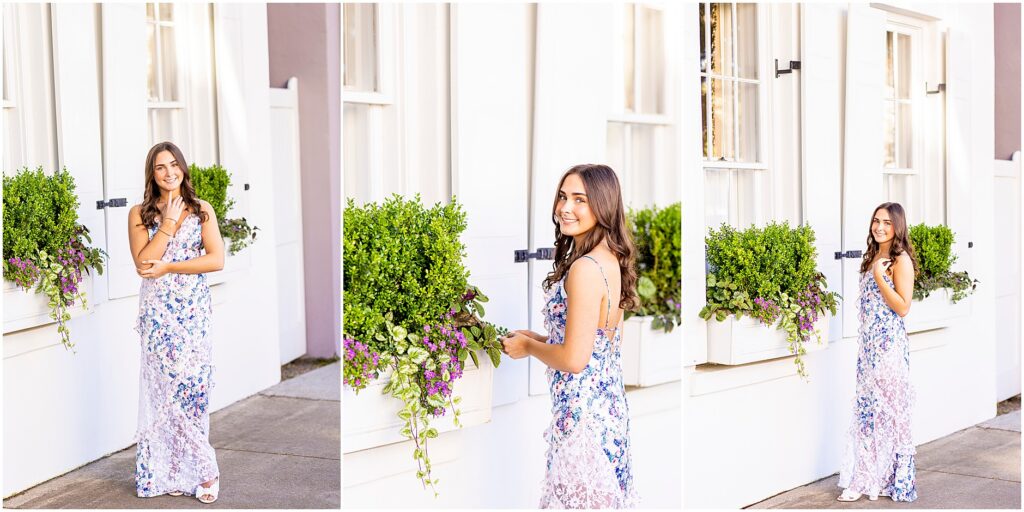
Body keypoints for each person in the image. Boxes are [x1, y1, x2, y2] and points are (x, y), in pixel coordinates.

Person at [502, 164, 640, 508]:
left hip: (583, 422)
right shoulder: (610, 259)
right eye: (563, 196)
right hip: (607, 414)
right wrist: (536, 338)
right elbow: (595, 345)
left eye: (580, 199)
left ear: (603, 206)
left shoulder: (584, 269)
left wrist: (528, 347)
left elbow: (575, 360)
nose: (565, 207)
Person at [128, 142, 224, 504]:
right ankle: (167, 472)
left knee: (193, 391)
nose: (169, 172)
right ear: (152, 174)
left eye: (173, 165)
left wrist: (170, 266)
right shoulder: (139, 213)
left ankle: (205, 468)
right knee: (162, 394)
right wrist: (167, 224)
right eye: (159, 167)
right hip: (158, 314)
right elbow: (143, 264)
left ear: (183, 167)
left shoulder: (202, 211)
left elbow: (216, 260)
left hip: (193, 313)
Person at [837, 202, 918, 502]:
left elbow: (903, 306)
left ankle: (896, 480)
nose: (879, 226)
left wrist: (879, 277)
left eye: (886, 222)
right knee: (868, 414)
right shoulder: (875, 255)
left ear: (897, 226)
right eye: (875, 221)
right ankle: (865, 478)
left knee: (892, 415)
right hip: (868, 349)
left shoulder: (900, 260)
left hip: (889, 349)